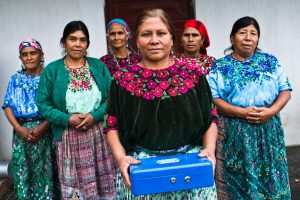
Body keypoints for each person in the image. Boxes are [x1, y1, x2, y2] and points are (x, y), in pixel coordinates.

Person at [103, 8, 219, 199]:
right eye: (146, 34)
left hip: (191, 167)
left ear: (172, 39)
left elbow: (210, 118)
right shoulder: (122, 80)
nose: (154, 40)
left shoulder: (193, 76)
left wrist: (209, 150)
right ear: (137, 41)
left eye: (161, 33)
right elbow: (111, 125)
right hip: (141, 170)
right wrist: (121, 158)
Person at [208, 16, 292, 199]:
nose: (248, 37)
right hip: (233, 131)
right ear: (232, 38)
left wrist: (271, 111)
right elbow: (213, 98)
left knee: (271, 175)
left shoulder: (270, 61)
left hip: (268, 129)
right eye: (242, 32)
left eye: (253, 33)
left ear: (257, 39)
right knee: (237, 176)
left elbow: (285, 90)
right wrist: (241, 112)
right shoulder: (220, 66)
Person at [36, 21, 116, 199]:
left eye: (82, 40)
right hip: (68, 138)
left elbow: (112, 99)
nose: (78, 44)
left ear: (87, 43)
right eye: (72, 39)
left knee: (103, 183)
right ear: (64, 42)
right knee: (74, 186)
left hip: (99, 136)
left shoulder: (98, 66)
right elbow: (43, 103)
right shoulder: (52, 70)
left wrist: (94, 116)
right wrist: (67, 119)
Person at [2, 38, 58, 199]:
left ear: (41, 55)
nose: (29, 57)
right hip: (22, 135)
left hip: (46, 133)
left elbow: (57, 107)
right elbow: (7, 106)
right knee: (23, 174)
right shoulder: (15, 80)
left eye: (33, 53)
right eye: (24, 54)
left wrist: (43, 126)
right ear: (20, 58)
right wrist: (19, 129)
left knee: (47, 175)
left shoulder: (49, 78)